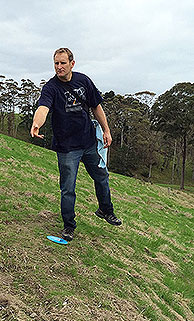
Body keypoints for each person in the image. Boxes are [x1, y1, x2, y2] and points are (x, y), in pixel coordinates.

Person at [30, 47, 121, 241]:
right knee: (68, 188)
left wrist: (106, 130)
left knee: (102, 176)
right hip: (66, 147)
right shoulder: (51, 87)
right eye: (56, 63)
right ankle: (69, 227)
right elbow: (43, 107)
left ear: (72, 63)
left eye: (63, 63)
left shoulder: (84, 81)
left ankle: (105, 210)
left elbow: (96, 106)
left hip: (88, 142)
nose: (59, 67)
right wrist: (36, 123)